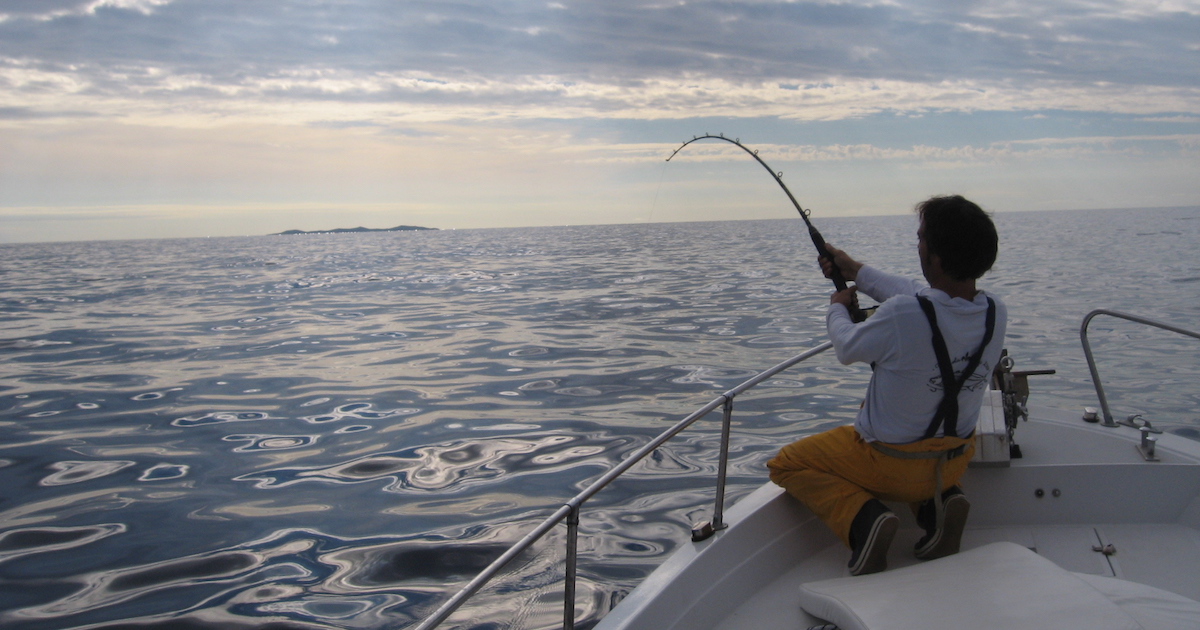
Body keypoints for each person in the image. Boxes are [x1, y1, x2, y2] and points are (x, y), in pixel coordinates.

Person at [767, 194, 1008, 576]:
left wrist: (836, 306)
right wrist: (853, 269)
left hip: (891, 465)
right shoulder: (994, 310)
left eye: (921, 238)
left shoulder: (903, 315)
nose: (918, 245)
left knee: (787, 464)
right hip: (953, 459)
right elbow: (918, 293)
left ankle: (865, 522)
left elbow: (847, 347)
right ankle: (938, 505)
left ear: (937, 257)